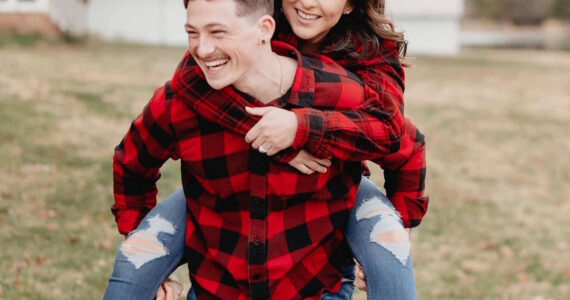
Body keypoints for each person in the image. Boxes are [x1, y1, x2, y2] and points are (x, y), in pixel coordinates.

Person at [104, 0, 428, 298]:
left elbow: (390, 133)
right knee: (137, 263)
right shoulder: (262, 15)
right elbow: (191, 84)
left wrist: (300, 129)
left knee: (390, 253)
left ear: (349, 5)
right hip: (232, 175)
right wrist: (278, 141)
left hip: (329, 174)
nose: (306, 1)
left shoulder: (368, 53)